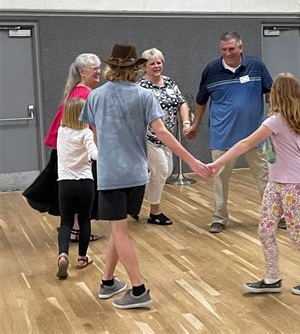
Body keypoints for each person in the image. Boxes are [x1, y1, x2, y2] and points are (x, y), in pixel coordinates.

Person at [80, 43, 211, 310]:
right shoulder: (144, 95)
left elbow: (92, 133)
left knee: (118, 231)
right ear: (135, 68)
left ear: (110, 68)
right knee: (119, 230)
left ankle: (138, 289)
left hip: (111, 174)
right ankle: (107, 282)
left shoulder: (95, 96)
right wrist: (193, 159)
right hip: (137, 174)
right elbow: (162, 133)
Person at [209, 73, 300, 295]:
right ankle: (272, 277)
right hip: (276, 183)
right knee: (265, 230)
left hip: (294, 184)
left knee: (296, 232)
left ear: (275, 95)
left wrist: (216, 163)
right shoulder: (290, 117)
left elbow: (246, 143)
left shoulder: (277, 120)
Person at [186, 31, 285, 233]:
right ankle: (219, 217)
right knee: (220, 179)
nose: (228, 53)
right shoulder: (211, 70)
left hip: (257, 136)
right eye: (224, 49)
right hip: (222, 137)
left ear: (241, 47)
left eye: (232, 49)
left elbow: (271, 92)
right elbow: (201, 100)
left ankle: (275, 215)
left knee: (267, 177)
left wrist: (276, 119)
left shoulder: (256, 66)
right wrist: (195, 124)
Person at [23, 53, 102, 242]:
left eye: (99, 67)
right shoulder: (85, 95)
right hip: (77, 153)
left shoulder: (76, 91)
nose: (99, 71)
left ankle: (70, 227)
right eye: (95, 68)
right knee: (80, 190)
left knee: (69, 189)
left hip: (67, 151)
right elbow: (91, 127)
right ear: (83, 72)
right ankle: (75, 230)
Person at [136, 48, 191, 226]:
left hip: (168, 138)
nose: (156, 66)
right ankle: (155, 212)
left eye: (159, 62)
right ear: (145, 66)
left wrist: (185, 123)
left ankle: (134, 199)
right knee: (160, 171)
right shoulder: (141, 87)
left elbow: (181, 102)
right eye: (152, 63)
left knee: (166, 171)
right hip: (149, 138)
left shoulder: (169, 82)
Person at [56, 98, 98, 279]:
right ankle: (82, 258)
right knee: (85, 221)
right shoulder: (86, 133)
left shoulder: (61, 131)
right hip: (85, 182)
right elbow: (95, 155)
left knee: (65, 222)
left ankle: (63, 254)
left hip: (65, 183)